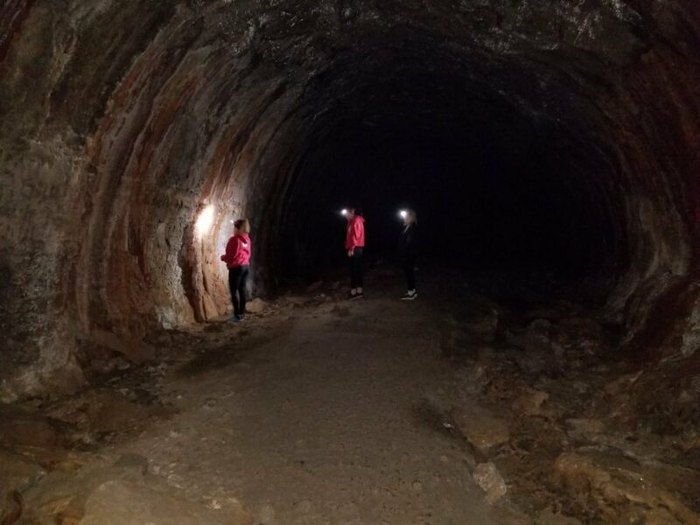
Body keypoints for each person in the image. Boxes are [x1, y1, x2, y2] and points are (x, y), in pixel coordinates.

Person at [220, 219, 251, 322]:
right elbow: (248, 254)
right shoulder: (247, 239)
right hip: (245, 267)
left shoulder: (234, 240)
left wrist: (223, 257)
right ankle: (242, 314)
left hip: (236, 268)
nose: (233, 229)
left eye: (234, 227)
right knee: (242, 290)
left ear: (237, 228)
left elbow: (231, 256)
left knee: (233, 292)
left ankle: (237, 316)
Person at [344, 208, 365, 299]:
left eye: (347, 214)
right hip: (354, 248)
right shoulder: (351, 221)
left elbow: (355, 235)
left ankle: (356, 292)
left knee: (355, 270)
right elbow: (349, 235)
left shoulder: (356, 220)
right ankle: (356, 291)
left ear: (351, 213)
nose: (345, 216)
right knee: (354, 269)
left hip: (356, 248)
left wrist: (352, 249)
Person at [398, 209, 418, 300]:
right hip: (407, 255)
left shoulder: (411, 228)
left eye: (405, 217)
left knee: (409, 273)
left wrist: (405, 254)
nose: (404, 219)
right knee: (409, 273)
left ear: (410, 218)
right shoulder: (408, 227)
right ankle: (412, 291)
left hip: (409, 256)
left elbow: (409, 243)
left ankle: (411, 293)